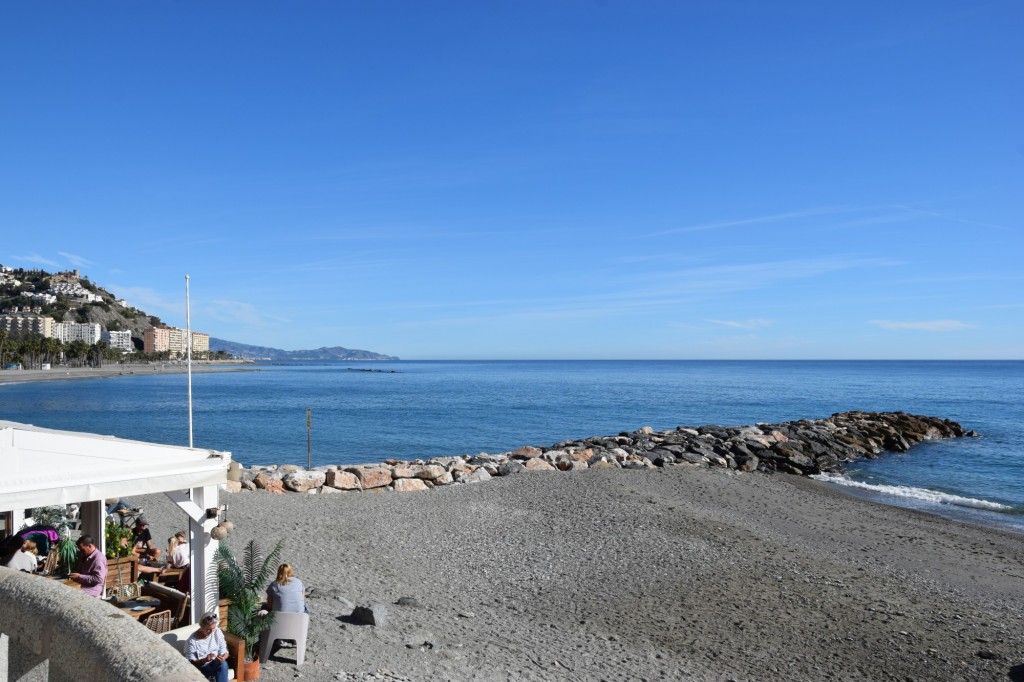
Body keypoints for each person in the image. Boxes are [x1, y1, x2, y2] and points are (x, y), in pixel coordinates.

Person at [186, 613, 229, 682]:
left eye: (213, 628)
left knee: (223, 664)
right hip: (202, 666)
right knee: (215, 671)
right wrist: (205, 659)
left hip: (215, 663)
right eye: (208, 629)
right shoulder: (192, 641)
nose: (212, 631)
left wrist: (223, 657)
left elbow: (224, 649)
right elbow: (191, 662)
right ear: (202, 627)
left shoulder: (217, 632)